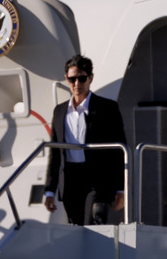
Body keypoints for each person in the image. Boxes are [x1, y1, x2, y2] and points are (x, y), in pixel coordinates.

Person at [44, 54, 128, 225]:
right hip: (70, 179)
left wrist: (121, 189)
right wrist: (49, 191)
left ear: (90, 78)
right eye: (72, 79)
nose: (77, 84)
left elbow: (119, 151)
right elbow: (55, 153)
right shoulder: (59, 111)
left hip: (97, 180)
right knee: (75, 227)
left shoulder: (107, 108)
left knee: (94, 222)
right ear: (66, 79)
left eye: (82, 78)